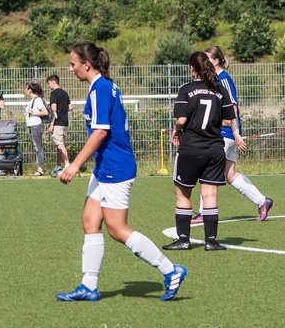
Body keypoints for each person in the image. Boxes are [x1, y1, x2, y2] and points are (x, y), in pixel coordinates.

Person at [55, 41, 187, 302]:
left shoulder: (100, 88)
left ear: (86, 64)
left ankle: (171, 270)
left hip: (116, 167)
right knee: (90, 221)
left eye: (72, 64)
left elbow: (101, 132)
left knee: (117, 229)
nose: (71, 69)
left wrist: (75, 164)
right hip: (106, 167)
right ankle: (89, 286)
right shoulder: (104, 85)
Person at [163, 52, 236, 252]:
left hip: (190, 148)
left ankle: (183, 239)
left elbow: (181, 120)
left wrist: (177, 131)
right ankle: (211, 241)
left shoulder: (186, 89)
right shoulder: (221, 90)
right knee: (210, 194)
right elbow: (228, 120)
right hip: (214, 149)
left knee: (183, 193)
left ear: (192, 69)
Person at [199, 46, 273, 223]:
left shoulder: (223, 80)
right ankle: (263, 201)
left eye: (207, 59)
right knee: (230, 175)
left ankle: (203, 213)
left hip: (225, 134)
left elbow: (232, 108)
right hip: (228, 134)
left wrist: (236, 134)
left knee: (207, 171)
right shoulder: (217, 79)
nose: (204, 63)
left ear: (216, 61)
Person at [46, 73, 71, 175]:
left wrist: (52, 124)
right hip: (65, 122)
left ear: (53, 82)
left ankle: (67, 164)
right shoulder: (65, 93)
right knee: (59, 145)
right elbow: (70, 107)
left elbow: (54, 110)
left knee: (60, 144)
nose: (48, 86)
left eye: (48, 83)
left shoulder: (54, 94)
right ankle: (58, 166)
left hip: (57, 123)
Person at [23, 81, 48, 176]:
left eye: (26, 88)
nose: (24, 90)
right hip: (31, 126)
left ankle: (40, 169)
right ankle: (40, 168)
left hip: (36, 126)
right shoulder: (32, 101)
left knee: (38, 147)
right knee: (36, 147)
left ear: (30, 90)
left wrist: (34, 113)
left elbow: (45, 112)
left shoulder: (37, 100)